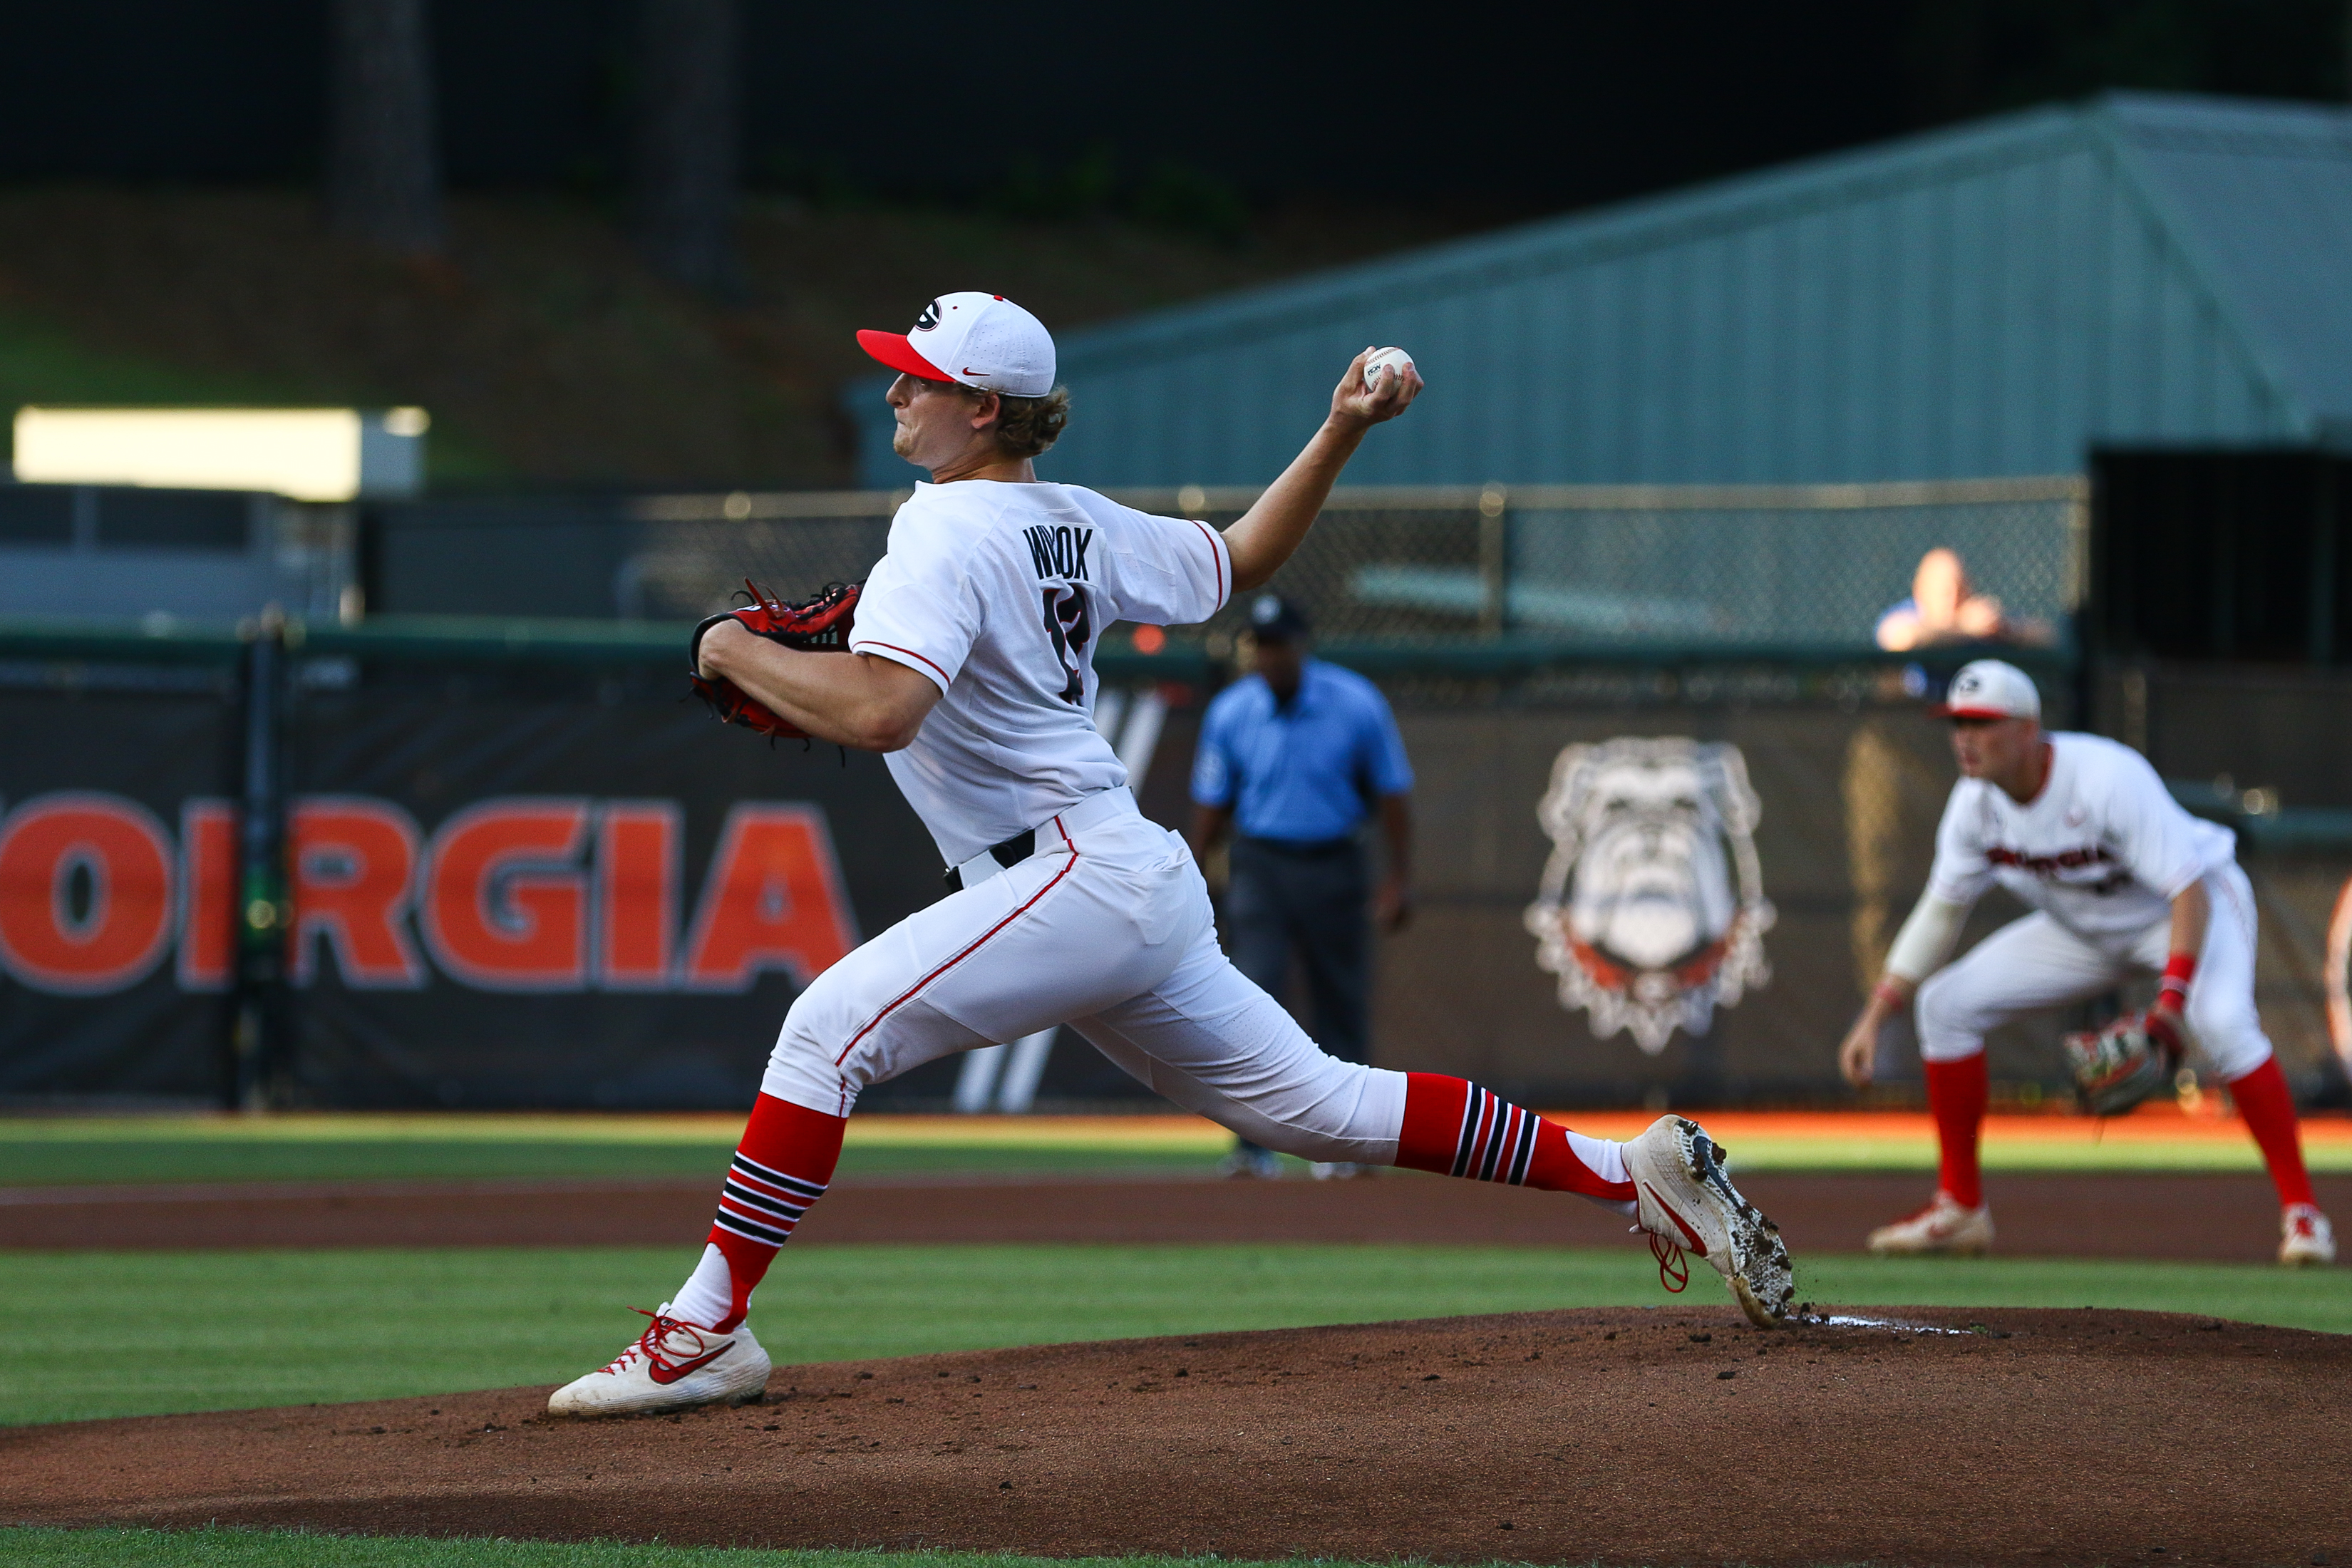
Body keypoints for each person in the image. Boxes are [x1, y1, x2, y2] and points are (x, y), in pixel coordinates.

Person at [547, 294, 1795, 1418]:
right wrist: (1341, 430)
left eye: (919, 375)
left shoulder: (942, 534)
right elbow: (1238, 560)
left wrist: (725, 647)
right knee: (1322, 1106)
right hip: (1114, 875)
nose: (895, 390)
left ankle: (705, 1325)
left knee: (827, 1032)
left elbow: (882, 712)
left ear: (984, 408)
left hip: (1069, 876)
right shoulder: (1066, 518)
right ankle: (1627, 1172)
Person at [1838, 658, 2333, 1267]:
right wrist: (1877, 1014)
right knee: (1945, 1006)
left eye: (1983, 722)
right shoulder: (1974, 806)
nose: (1965, 737)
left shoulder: (2104, 777)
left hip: (2189, 907)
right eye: (1957, 722)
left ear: (2027, 729)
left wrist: (2169, 1007)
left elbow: (2188, 891)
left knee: (2226, 1024)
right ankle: (1961, 1210)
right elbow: (1940, 915)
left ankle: (2304, 1216)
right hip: (2086, 928)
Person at [1192, 593, 1413, 1180]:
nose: (1268, 657)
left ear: (1301, 646)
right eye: (1259, 646)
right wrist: (1190, 882)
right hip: (1261, 864)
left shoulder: (1355, 702)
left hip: (1334, 860)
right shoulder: (1232, 712)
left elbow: (1392, 795)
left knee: (1339, 1001)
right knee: (1249, 1003)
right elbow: (1213, 806)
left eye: (1278, 645)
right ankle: (1251, 1146)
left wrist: (1398, 878)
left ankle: (1351, 1149)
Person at [1874, 547, 2052, 651]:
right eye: (1944, 592)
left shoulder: (1980, 619)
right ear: (1920, 590)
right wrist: (1964, 628)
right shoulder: (1907, 615)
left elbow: (2048, 636)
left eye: (1959, 590)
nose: (1952, 600)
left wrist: (2005, 628)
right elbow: (1903, 639)